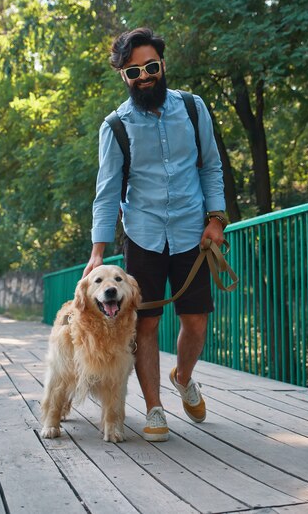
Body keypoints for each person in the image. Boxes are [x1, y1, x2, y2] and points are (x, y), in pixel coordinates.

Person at [83, 26, 226, 441]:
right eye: (133, 71)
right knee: (144, 326)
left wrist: (216, 219)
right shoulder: (115, 127)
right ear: (123, 77)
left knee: (196, 322)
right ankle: (154, 408)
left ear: (162, 64)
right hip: (143, 235)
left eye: (150, 67)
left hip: (192, 234)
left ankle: (182, 377)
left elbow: (211, 166)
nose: (143, 76)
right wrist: (98, 252)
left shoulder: (194, 108)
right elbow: (106, 192)